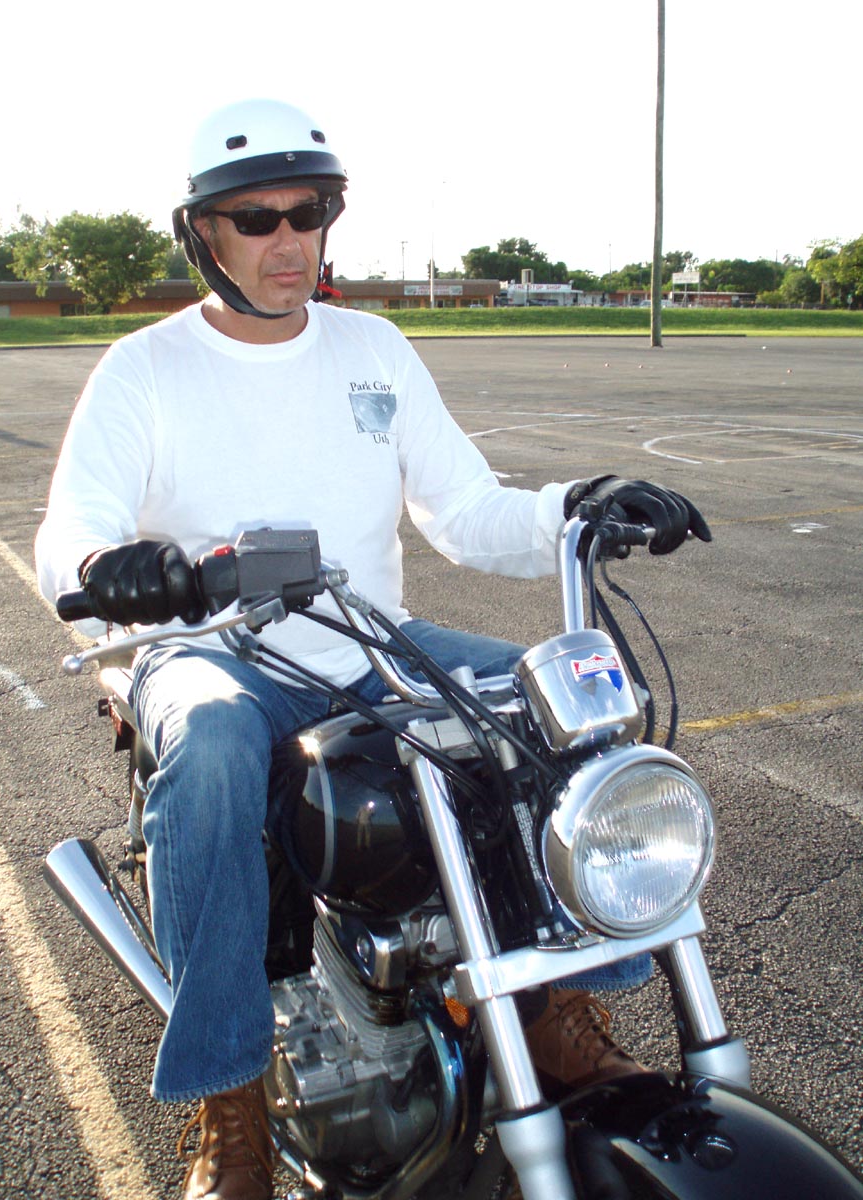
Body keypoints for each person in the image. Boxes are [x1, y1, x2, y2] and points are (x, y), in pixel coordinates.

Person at [35, 99, 711, 1200]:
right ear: (203, 232)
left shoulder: (373, 349)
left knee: (565, 701)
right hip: (212, 649)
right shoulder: (145, 368)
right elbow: (69, 533)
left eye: (306, 213)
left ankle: (556, 1004)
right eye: (255, 219)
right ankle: (230, 1099)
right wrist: (113, 567)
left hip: (364, 644)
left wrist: (577, 509)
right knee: (211, 744)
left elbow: (465, 512)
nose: (286, 241)